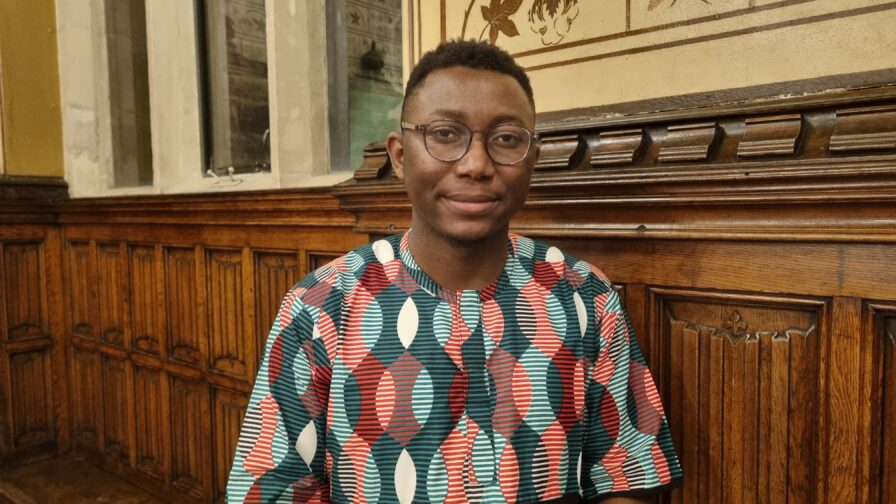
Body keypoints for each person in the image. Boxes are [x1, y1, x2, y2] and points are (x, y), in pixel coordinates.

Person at [226, 40, 681, 503]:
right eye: (446, 134)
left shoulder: (584, 296)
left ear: (532, 161)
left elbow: (626, 476)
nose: (477, 164)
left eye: (506, 139)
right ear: (400, 155)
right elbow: (274, 490)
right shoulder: (321, 306)